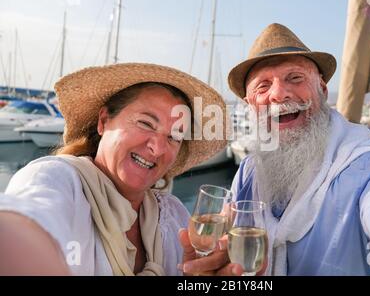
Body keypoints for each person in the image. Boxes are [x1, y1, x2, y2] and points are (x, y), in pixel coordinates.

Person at [178, 23, 370, 276]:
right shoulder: (249, 173)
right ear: (250, 105)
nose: (278, 94)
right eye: (263, 86)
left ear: (321, 88)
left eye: (294, 78)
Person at [0, 63, 227, 275]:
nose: (157, 148)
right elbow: (22, 224)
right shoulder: (58, 180)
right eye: (146, 123)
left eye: (174, 137)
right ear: (103, 120)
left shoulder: (173, 215)